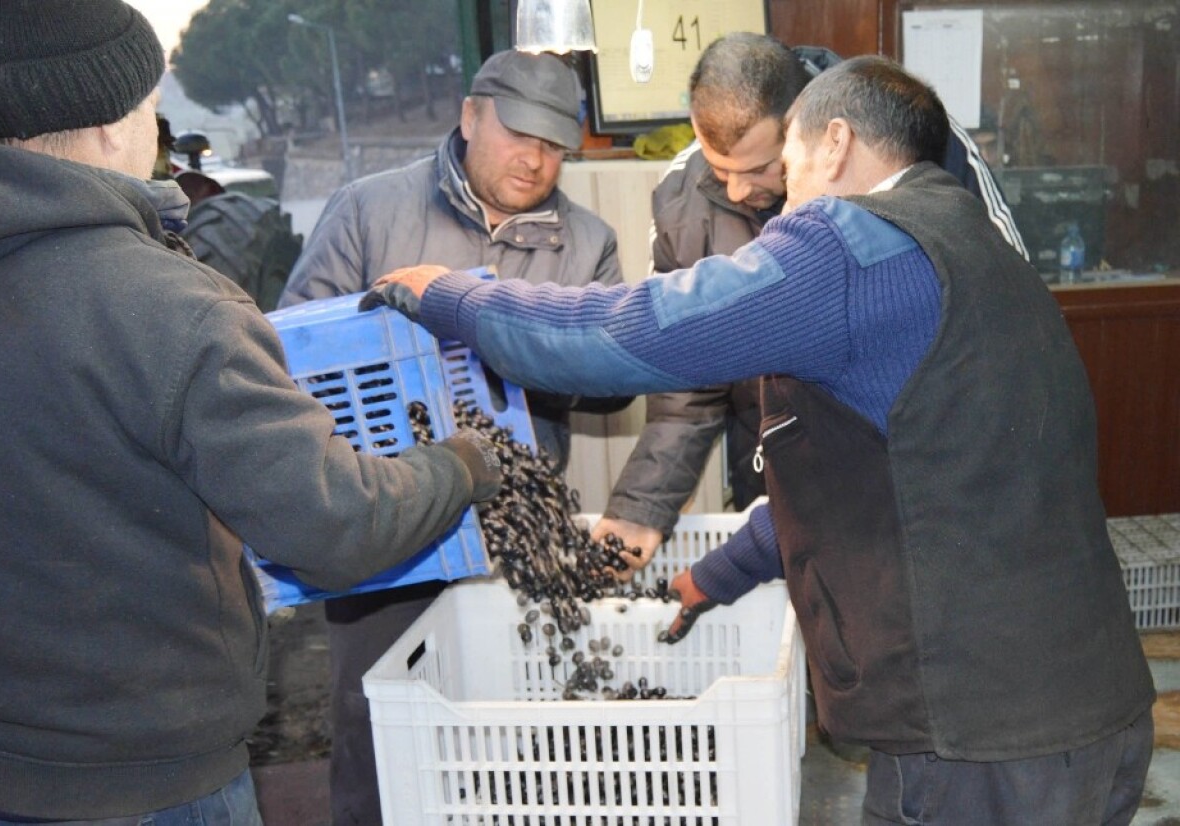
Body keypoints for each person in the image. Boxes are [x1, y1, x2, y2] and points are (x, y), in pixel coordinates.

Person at [363, 56, 1156, 825]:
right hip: (1096, 716)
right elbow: (905, 480)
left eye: (788, 162)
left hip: (977, 748)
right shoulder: (983, 251)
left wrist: (454, 297)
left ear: (836, 143)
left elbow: (625, 334)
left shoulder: (849, 249)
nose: (776, 196)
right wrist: (718, 575)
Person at [0, 1, 501, 823]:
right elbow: (333, 528)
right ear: (116, 123)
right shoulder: (169, 306)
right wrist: (458, 465)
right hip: (149, 784)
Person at [278, 48, 628, 825]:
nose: (535, 160)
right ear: (470, 116)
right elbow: (292, 349)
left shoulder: (589, 243)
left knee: (514, 725)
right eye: (518, 135)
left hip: (512, 523)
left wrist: (519, 335)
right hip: (389, 520)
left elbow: (612, 381)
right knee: (380, 719)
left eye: (553, 145)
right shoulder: (370, 210)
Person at [595, 33, 1029, 563]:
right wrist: (643, 504)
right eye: (720, 170)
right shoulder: (682, 194)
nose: (735, 191)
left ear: (814, 132)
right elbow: (687, 378)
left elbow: (1003, 313)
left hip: (919, 479)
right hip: (776, 479)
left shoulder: (912, 138)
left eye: (758, 170)